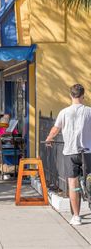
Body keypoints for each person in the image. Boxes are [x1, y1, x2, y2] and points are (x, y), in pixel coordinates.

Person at [45, 84, 91, 226]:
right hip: (87, 152)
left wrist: (49, 138)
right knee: (90, 179)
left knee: (73, 184)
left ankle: (76, 216)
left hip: (70, 152)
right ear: (83, 96)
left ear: (71, 95)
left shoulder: (64, 112)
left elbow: (55, 128)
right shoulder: (89, 111)